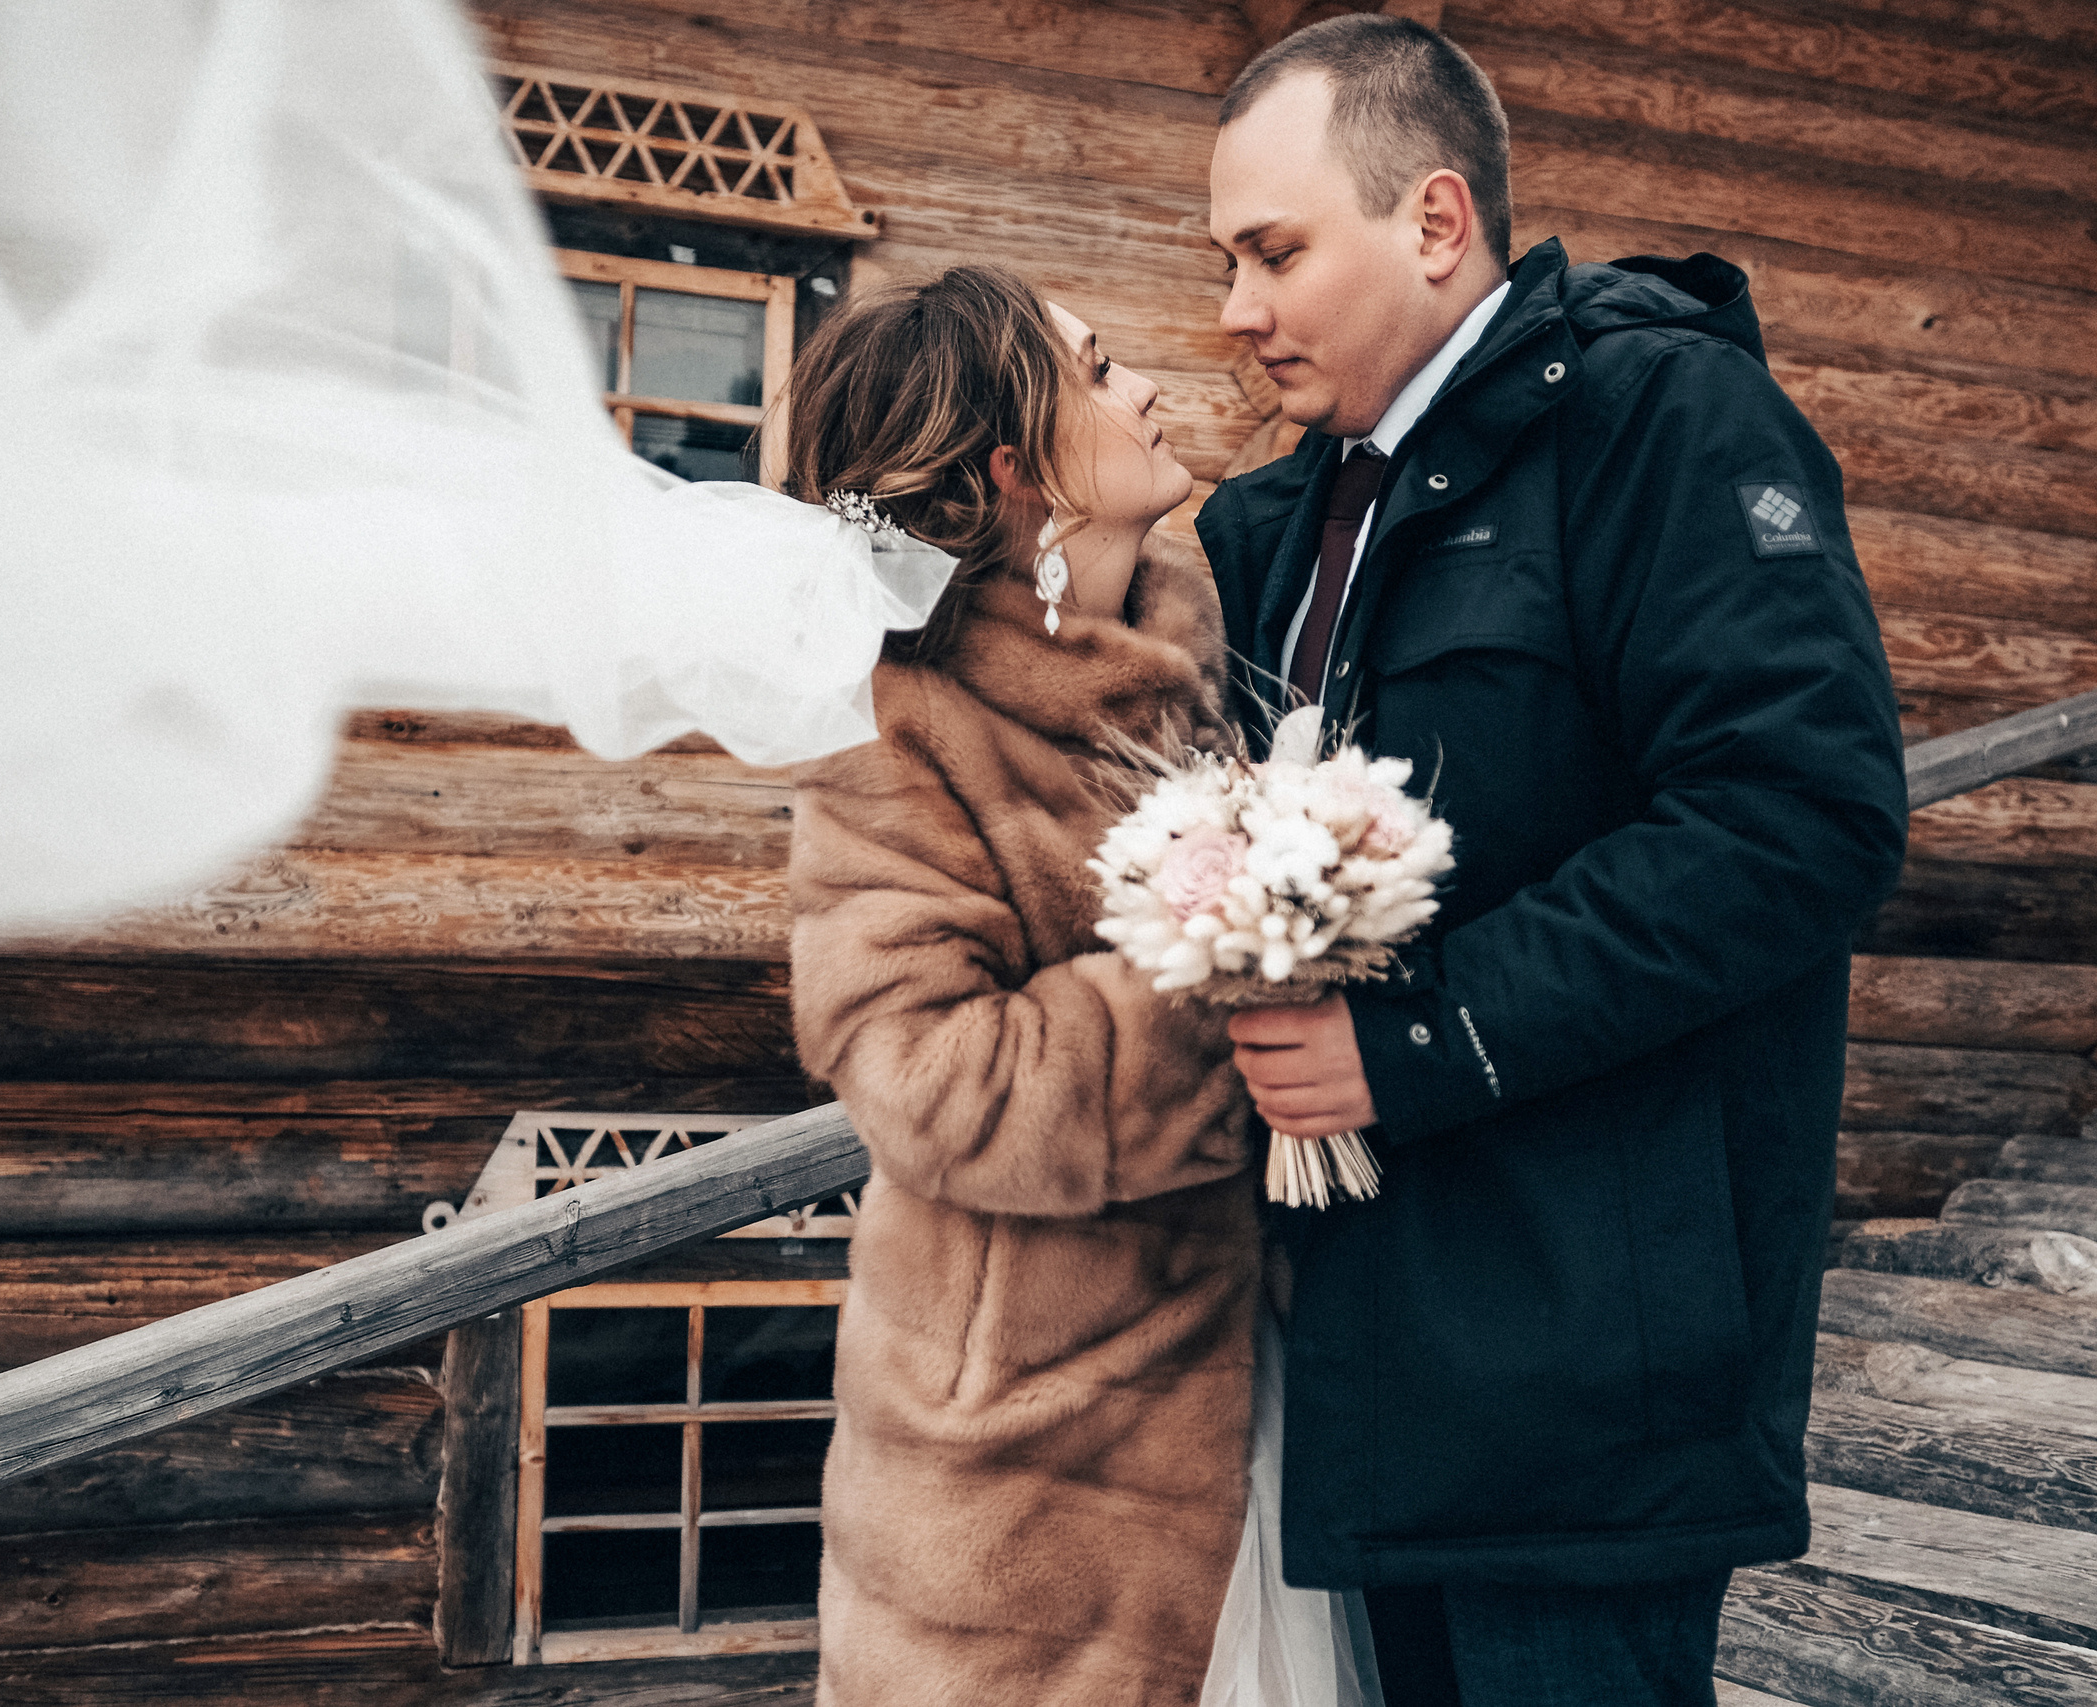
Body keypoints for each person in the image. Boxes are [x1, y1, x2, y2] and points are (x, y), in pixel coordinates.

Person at [1193, 17, 1908, 1707]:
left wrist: (1411, 1041)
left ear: (1435, 223)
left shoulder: (1666, 422)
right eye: (1224, 262)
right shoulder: (1279, 524)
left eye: (1274, 252)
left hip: (1588, 1390)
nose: (1235, 310)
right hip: (1355, 1381)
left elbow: (1800, 815)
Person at [782, 264, 1354, 1706]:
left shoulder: (1209, 657)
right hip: (1030, 1455)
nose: (1149, 384)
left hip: (1249, 1391)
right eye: (1097, 372)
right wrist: (1222, 957)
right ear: (1011, 462)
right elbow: (929, 1080)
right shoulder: (894, 720)